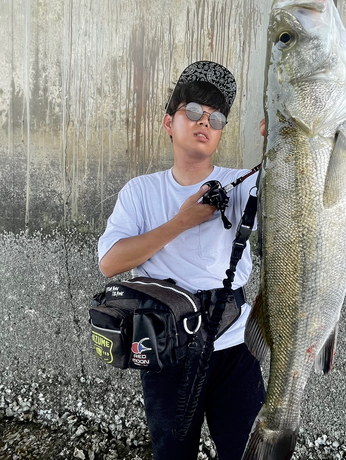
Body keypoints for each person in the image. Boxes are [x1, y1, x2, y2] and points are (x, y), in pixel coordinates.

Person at [98, 61, 266, 460]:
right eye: (192, 112)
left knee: (248, 452)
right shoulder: (140, 192)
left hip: (234, 347)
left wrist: (280, 144)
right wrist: (182, 222)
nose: (203, 121)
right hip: (165, 351)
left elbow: (304, 200)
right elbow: (110, 262)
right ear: (168, 122)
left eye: (216, 117)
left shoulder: (245, 182)